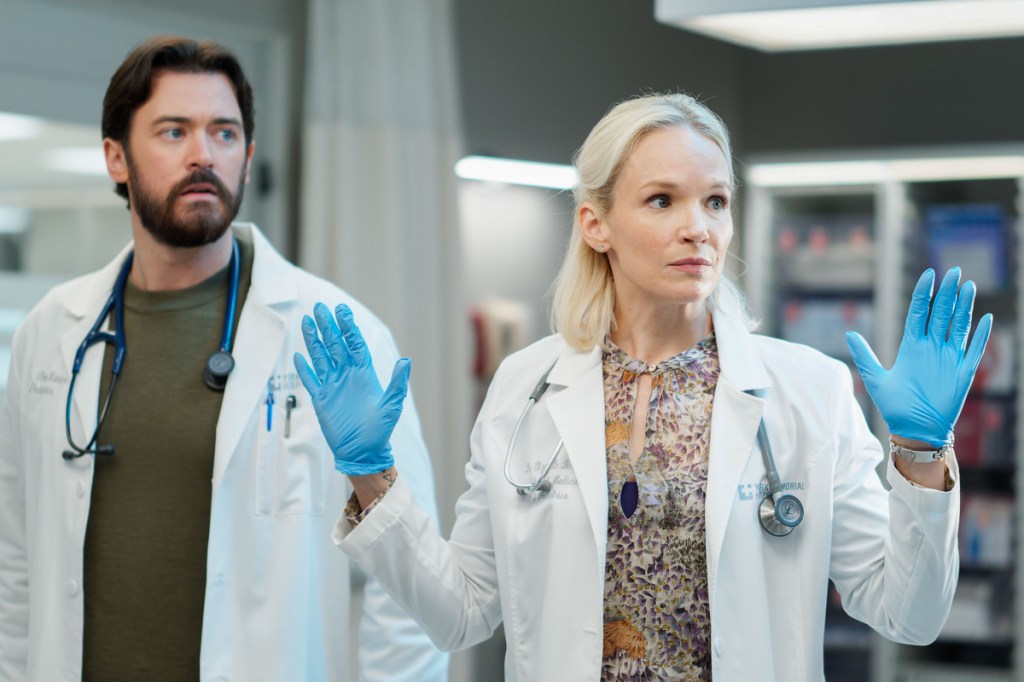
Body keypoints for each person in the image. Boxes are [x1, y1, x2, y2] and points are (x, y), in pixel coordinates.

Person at [295, 92, 991, 681]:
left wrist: (920, 455)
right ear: (595, 224)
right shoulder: (526, 385)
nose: (698, 229)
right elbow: (462, 613)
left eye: (715, 201)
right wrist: (371, 475)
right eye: (662, 200)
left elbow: (908, 614)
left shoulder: (809, 389)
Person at [0, 36, 446, 682]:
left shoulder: (335, 335)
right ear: (116, 157)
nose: (203, 154)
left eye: (225, 133)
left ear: (248, 159)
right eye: (174, 131)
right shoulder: (51, 331)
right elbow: (15, 563)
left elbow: (411, 590)